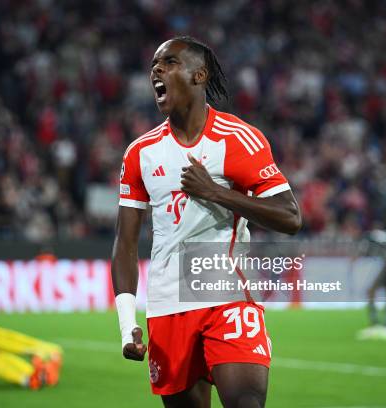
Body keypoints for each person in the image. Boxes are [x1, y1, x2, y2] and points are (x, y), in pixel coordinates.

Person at [111, 36, 301, 408]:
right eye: (154, 65)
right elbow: (125, 244)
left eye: (168, 63)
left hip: (227, 297)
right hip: (168, 307)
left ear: (199, 75)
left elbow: (291, 217)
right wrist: (125, 323)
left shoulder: (239, 140)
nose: (156, 70)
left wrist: (216, 192)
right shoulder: (140, 153)